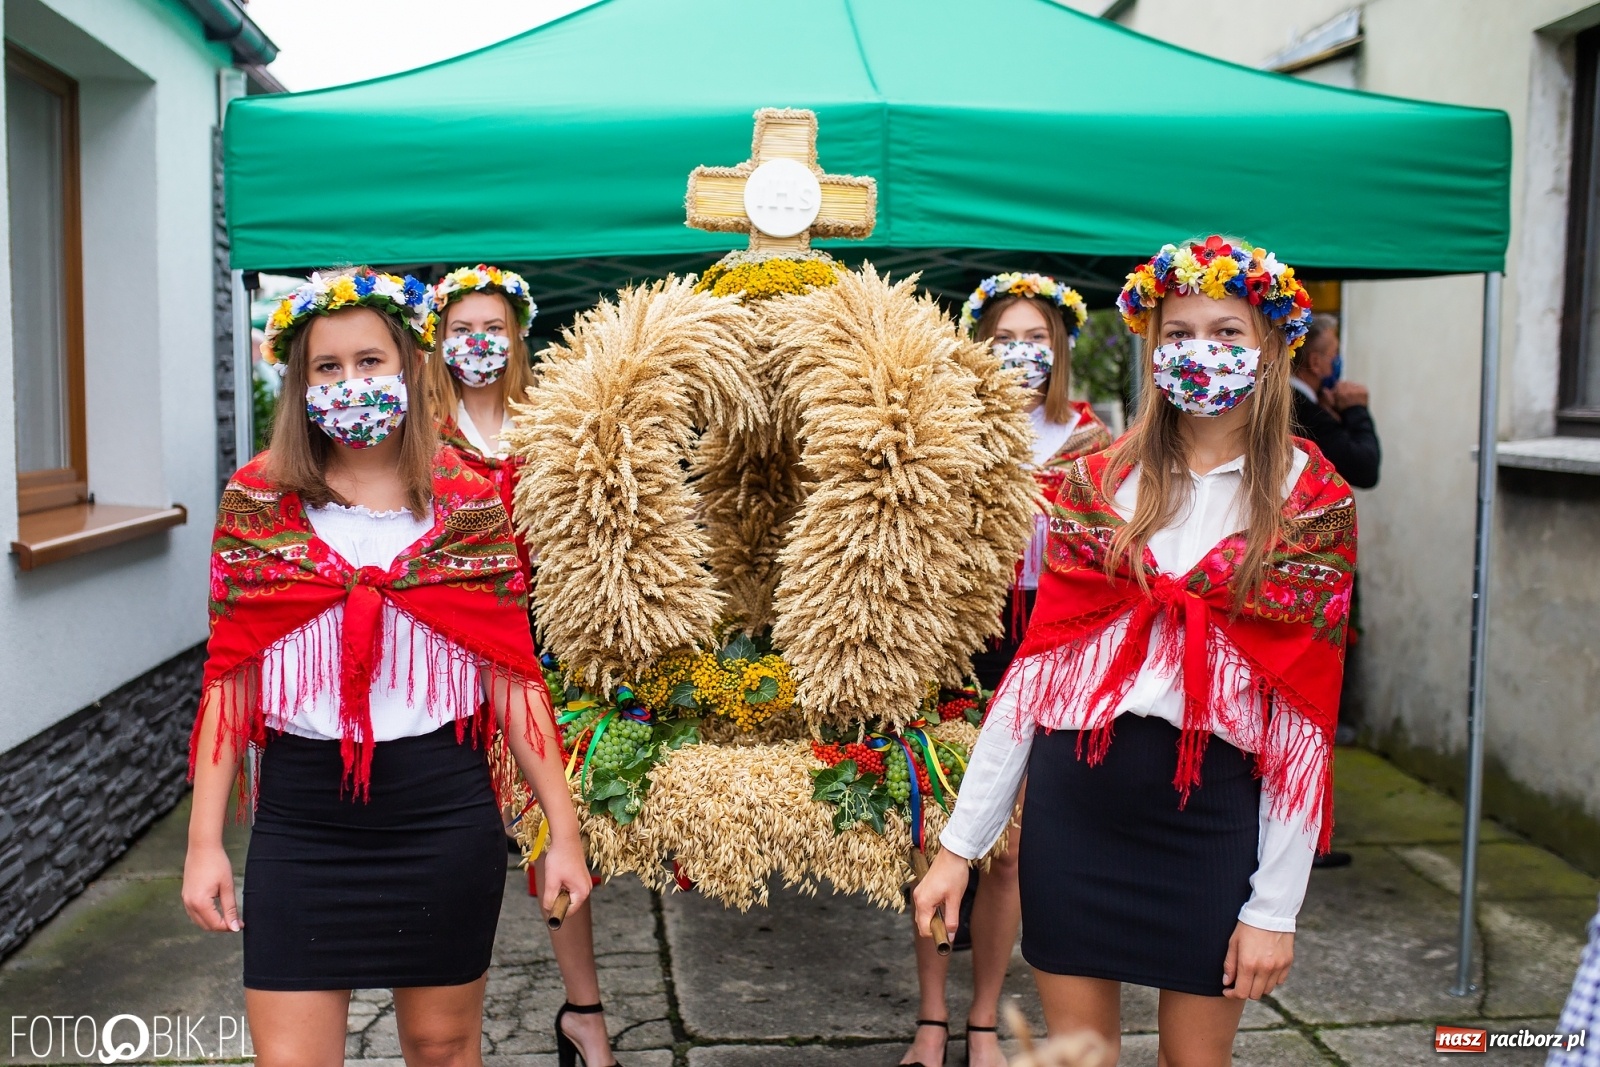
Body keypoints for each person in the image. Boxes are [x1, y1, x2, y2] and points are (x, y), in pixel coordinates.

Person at [916, 236, 1357, 1067]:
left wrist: (1276, 908)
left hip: (1215, 813)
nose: (1203, 352)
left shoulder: (1312, 502)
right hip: (1075, 809)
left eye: (1228, 333)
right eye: (1180, 332)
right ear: (1154, 349)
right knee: (1082, 1057)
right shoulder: (1097, 484)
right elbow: (1033, 683)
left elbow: (1303, 726)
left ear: (1270, 347)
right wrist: (957, 850)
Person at [181, 267, 592, 1067]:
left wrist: (563, 832)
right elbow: (229, 682)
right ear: (299, 385)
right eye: (327, 368)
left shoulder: (468, 503)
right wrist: (203, 843)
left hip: (442, 813)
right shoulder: (255, 505)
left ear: (409, 366)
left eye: (370, 362)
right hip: (302, 820)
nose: (350, 381)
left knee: (443, 1048)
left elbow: (513, 677)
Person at [896, 274, 1113, 1067]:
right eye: (1005, 338)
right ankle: (929, 1016)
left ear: (1061, 348)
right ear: (979, 347)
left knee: (1013, 846)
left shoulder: (1096, 442)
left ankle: (984, 1016)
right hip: (958, 641)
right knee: (934, 826)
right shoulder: (954, 429)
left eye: (1036, 338)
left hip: (1045, 644)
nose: (1023, 353)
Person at [429, 264, 625, 1067]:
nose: (477, 343)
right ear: (438, 341)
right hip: (442, 649)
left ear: (518, 337)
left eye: (492, 328)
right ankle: (441, 1025)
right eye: (461, 329)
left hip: (542, 644)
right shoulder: (415, 429)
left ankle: (587, 1012)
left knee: (553, 825)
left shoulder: (552, 420)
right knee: (452, 833)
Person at [1289, 312, 1379, 490]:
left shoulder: (1293, 400)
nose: (1337, 361)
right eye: (1334, 353)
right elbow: (1365, 469)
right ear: (1315, 362)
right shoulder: (1306, 413)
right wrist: (1356, 410)